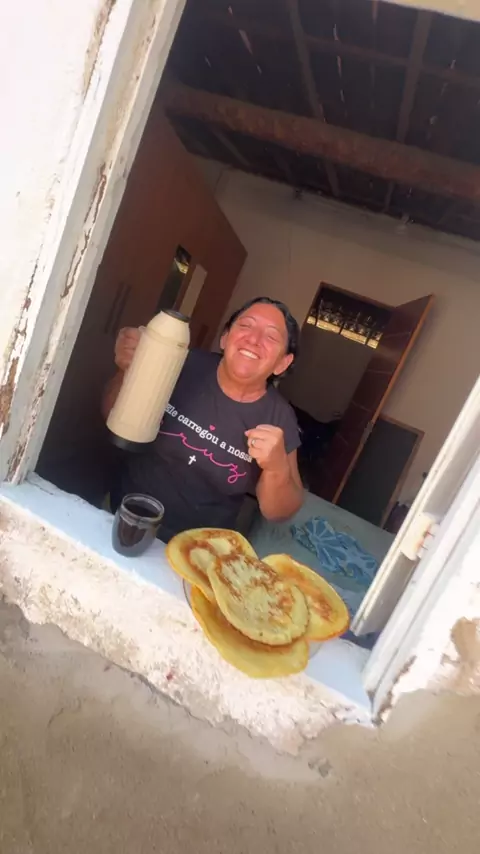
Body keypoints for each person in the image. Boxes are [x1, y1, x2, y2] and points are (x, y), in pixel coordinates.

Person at [102, 297, 303, 540]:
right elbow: (110, 413)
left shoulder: (279, 417)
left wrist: (276, 468)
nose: (253, 339)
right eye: (245, 325)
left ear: (283, 363)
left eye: (271, 336)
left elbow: (279, 512)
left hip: (200, 547)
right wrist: (127, 371)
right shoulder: (180, 362)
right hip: (125, 516)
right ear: (225, 338)